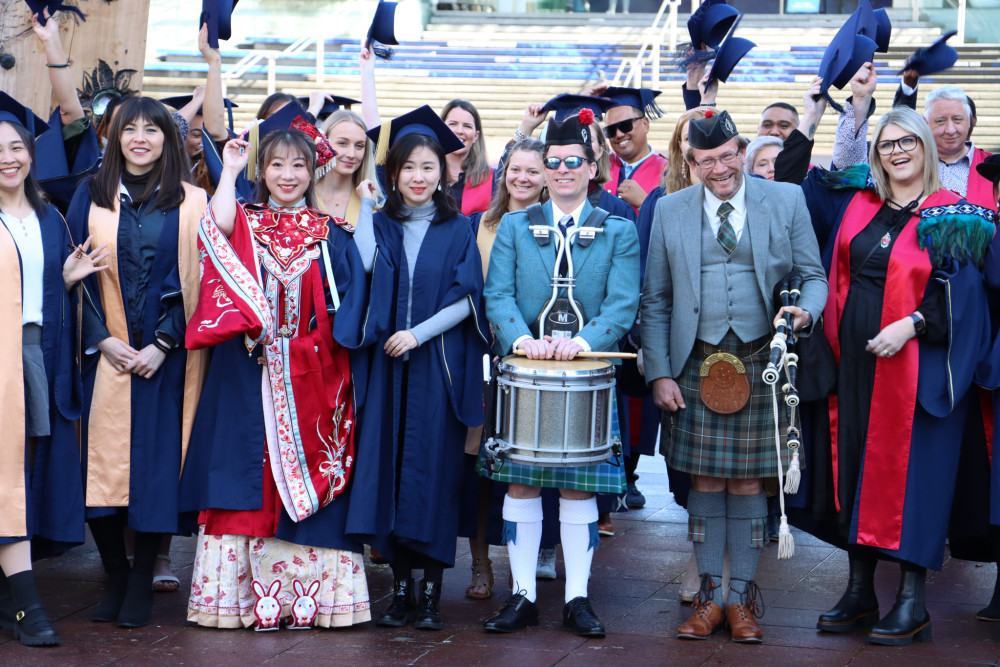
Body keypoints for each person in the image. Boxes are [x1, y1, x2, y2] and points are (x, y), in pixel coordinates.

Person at [800, 106, 995, 646]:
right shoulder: (860, 206)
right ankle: (860, 590)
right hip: (857, 365)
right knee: (856, 469)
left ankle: (913, 601)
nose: (898, 152)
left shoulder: (955, 214)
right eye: (887, 145)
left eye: (907, 141)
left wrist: (911, 325)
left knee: (916, 485)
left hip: (920, 371)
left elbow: (968, 298)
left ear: (927, 146)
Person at [641, 109, 827, 643]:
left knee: (747, 481)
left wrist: (806, 312)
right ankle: (708, 597)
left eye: (727, 156)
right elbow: (655, 299)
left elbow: (812, 276)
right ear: (691, 162)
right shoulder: (670, 209)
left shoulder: (786, 199)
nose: (720, 168)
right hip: (694, 360)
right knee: (703, 480)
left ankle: (741, 596)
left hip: (760, 357)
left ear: (741, 151)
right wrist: (659, 373)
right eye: (707, 161)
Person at [181, 123, 375, 630]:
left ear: (314, 171)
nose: (287, 175)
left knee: (312, 471)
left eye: (299, 165)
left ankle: (310, 600)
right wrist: (229, 165)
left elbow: (348, 311)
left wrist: (301, 351)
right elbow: (214, 227)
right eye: (276, 165)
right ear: (261, 172)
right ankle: (238, 599)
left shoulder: (331, 233)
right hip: (245, 374)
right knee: (245, 475)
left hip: (313, 376)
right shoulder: (244, 219)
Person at [479, 110, 640, 638]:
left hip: (588, 373)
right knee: (522, 483)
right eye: (555, 163)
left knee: (579, 490)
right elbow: (497, 294)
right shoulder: (515, 227)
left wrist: (583, 342)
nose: (563, 170)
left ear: (593, 167)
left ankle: (577, 598)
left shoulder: (619, 230)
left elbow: (623, 304)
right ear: (544, 169)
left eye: (574, 161)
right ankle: (522, 595)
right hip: (525, 369)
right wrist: (521, 340)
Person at [66, 96, 209, 629]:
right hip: (105, 355)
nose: (141, 138)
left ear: (168, 140)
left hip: (163, 359)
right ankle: (115, 575)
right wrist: (102, 340)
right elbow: (74, 275)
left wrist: (164, 343)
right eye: (131, 129)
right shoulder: (91, 196)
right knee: (99, 473)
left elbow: (199, 282)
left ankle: (143, 577)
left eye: (153, 129)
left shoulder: (191, 201)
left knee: (153, 473)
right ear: (115, 137)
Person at [346, 105, 489, 631]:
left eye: (429, 167)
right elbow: (363, 265)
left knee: (432, 476)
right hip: (388, 371)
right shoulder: (380, 224)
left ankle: (431, 594)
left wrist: (417, 333)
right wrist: (365, 208)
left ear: (444, 172)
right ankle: (400, 591)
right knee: (390, 474)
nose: (419, 177)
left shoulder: (459, 229)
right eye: (409, 168)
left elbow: (467, 299)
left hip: (436, 368)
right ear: (393, 174)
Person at [0, 101, 108, 647]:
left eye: (17, 147)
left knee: (29, 467)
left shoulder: (49, 217)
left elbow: (34, 295)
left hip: (39, 354)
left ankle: (9, 594)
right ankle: (27, 604)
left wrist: (65, 280)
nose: (8, 158)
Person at [461, 138, 548, 600]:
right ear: (504, 173)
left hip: (538, 360)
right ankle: (480, 564)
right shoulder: (480, 226)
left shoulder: (555, 225)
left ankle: (524, 564)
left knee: (527, 465)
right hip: (486, 355)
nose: (523, 179)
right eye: (516, 169)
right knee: (480, 463)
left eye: (534, 171)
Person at [599, 86, 668, 212]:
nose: (619, 134)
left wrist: (645, 203)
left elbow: (676, 222)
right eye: (611, 130)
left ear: (645, 125)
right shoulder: (599, 167)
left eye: (625, 125)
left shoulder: (667, 170)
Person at [441, 99, 493, 217]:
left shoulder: (491, 179)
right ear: (441, 128)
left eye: (467, 126)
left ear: (476, 136)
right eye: (453, 124)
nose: (459, 131)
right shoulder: (426, 174)